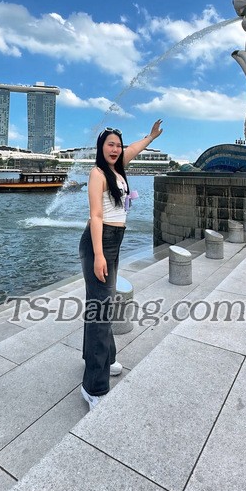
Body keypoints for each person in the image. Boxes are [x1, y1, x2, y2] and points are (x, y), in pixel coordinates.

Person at [79, 119, 164, 410]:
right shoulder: (97, 173)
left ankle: (104, 357)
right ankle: (93, 387)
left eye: (118, 145)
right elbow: (96, 216)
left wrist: (150, 137)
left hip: (114, 241)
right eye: (110, 145)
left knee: (101, 305)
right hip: (99, 243)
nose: (115, 149)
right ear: (100, 147)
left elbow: (135, 149)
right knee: (101, 311)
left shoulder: (117, 169)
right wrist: (99, 255)